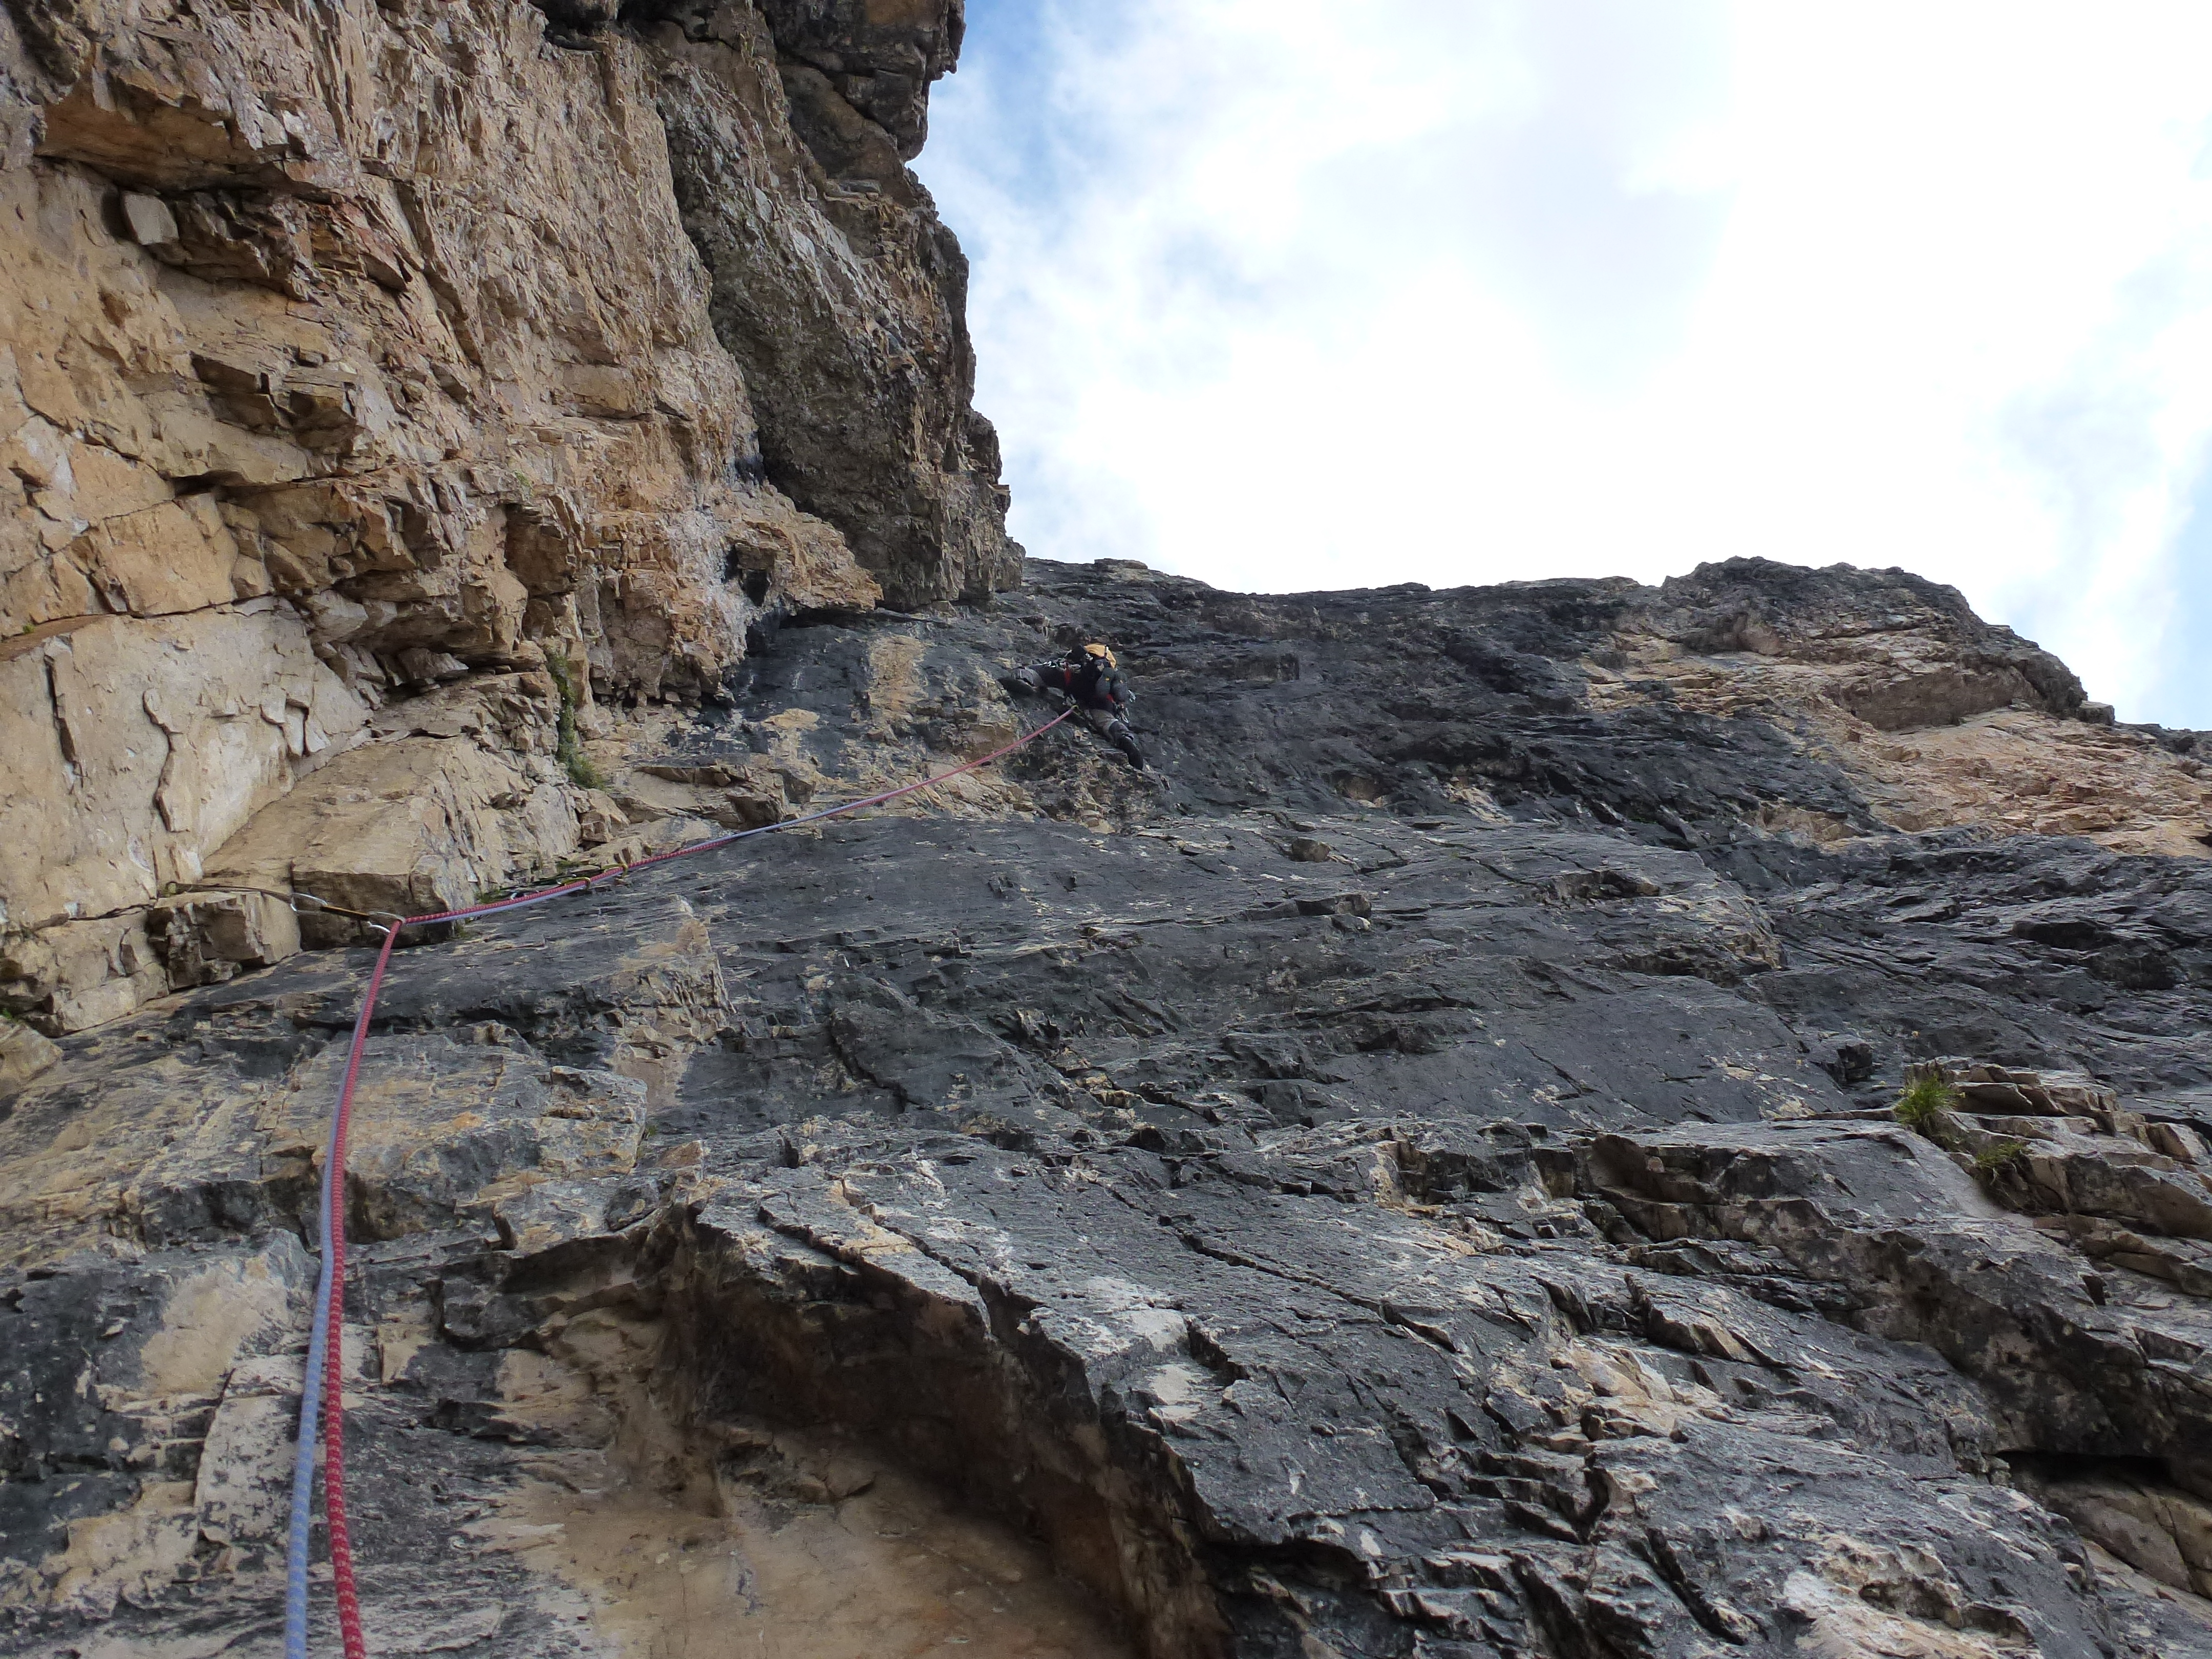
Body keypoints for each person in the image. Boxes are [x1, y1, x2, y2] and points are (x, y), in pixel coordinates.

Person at [1009, 643, 1147, 769]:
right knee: (1107, 720)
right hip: (1097, 695)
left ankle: (1024, 680)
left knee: (1033, 673)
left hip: (1073, 679)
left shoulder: (1087, 654)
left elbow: (1065, 660)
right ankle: (1123, 737)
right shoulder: (1109, 672)